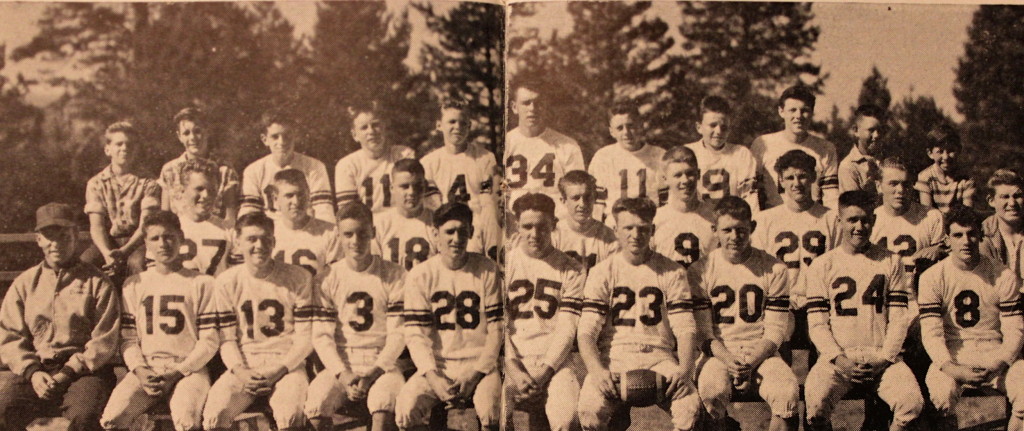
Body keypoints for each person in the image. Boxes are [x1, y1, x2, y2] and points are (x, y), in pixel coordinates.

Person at [576, 197, 701, 431]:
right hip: (614, 356)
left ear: (652, 230)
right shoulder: (602, 271)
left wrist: (685, 370)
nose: (635, 234)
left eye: (643, 228)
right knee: (589, 409)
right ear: (616, 230)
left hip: (660, 356)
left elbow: (686, 328)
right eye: (628, 228)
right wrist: (597, 371)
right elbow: (586, 332)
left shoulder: (672, 271)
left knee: (690, 408)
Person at [801, 190, 923, 431]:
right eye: (852, 220)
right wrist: (839, 359)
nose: (859, 226)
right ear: (839, 221)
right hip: (838, 358)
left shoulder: (891, 260)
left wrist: (885, 358)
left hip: (881, 356)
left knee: (911, 403)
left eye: (865, 220)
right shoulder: (822, 265)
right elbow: (817, 323)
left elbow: (899, 318)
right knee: (815, 405)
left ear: (874, 221)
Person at [0, 203, 120, 431]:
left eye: (64, 235)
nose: (56, 243)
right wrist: (33, 372)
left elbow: (104, 341)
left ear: (76, 236)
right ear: (38, 239)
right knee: (4, 410)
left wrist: (67, 372)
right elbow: (10, 336)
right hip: (37, 371)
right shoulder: (25, 283)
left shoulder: (98, 282)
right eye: (49, 236)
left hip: (84, 373)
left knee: (84, 417)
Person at [100, 211, 220, 431]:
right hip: (147, 368)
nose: (163, 244)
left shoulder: (202, 282)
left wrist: (178, 372)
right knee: (112, 419)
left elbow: (210, 340)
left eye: (169, 237)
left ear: (181, 238)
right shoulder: (134, 284)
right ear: (145, 243)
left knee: (186, 420)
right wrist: (140, 370)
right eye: (155, 238)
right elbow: (128, 339)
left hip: (188, 369)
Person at [690, 196, 798, 431]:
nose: (734, 237)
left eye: (741, 230)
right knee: (711, 391)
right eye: (727, 230)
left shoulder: (774, 268)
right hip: (719, 353)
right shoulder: (700, 270)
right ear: (714, 230)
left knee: (787, 392)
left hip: (761, 353)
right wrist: (730, 361)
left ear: (753, 228)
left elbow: (776, 331)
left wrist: (749, 364)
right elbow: (703, 334)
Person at [396, 203, 503, 431]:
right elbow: (416, 335)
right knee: (406, 408)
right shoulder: (420, 275)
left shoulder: (487, 269)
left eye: (462, 231)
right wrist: (433, 377)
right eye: (449, 231)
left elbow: (496, 330)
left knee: (490, 410)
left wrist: (475, 374)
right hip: (439, 366)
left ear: (471, 233)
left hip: (480, 366)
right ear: (435, 234)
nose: (457, 238)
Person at [203, 213, 315, 431]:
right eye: (252, 239)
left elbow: (305, 338)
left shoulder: (298, 277)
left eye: (265, 239)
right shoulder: (227, 281)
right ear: (237, 242)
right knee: (214, 416)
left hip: (286, 365)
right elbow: (227, 339)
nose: (259, 245)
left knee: (290, 416)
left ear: (274, 241)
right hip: (246, 365)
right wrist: (241, 371)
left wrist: (279, 370)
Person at [918, 207, 1024, 431]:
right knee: (941, 395)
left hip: (994, 351)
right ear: (947, 239)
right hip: (953, 352)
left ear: (981, 236)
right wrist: (950, 367)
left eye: (971, 234)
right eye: (958, 235)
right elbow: (931, 333)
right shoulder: (932, 277)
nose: (966, 241)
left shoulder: (1003, 275)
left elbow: (1015, 330)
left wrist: (1000, 362)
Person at [305, 202, 408, 431]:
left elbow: (398, 334)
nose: (355, 241)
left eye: (362, 233)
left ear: (373, 232)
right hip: (343, 362)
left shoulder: (394, 274)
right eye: (348, 234)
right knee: (317, 404)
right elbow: (322, 336)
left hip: (382, 363)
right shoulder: (328, 277)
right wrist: (342, 374)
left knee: (383, 407)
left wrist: (375, 371)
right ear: (339, 236)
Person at [503, 193, 586, 431]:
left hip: (555, 362)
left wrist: (545, 370)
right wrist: (514, 369)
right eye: (527, 226)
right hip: (513, 361)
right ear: (517, 225)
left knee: (566, 418)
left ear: (554, 225)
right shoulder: (505, 264)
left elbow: (567, 328)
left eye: (542, 226)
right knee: (494, 412)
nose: (534, 234)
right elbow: (500, 327)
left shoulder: (572, 269)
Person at [752, 150, 839, 308]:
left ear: (813, 177)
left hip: (820, 305)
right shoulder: (765, 220)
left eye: (802, 176)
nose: (797, 184)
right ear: (781, 181)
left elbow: (838, 266)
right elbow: (758, 270)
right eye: (790, 178)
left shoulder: (832, 219)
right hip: (780, 305)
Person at [82, 121, 162, 284]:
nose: (124, 148)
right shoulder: (96, 183)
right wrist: (106, 253)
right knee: (84, 264)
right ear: (108, 149)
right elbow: (96, 226)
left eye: (130, 144)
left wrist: (125, 252)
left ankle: (137, 307)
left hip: (138, 241)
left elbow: (146, 224)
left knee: (137, 264)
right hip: (109, 241)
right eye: (119, 144)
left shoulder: (149, 182)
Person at [504, 75, 584, 215]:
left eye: (538, 103)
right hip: (515, 222)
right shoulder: (504, 145)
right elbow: (496, 190)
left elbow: (577, 194)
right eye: (526, 103)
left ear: (546, 105)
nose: (532, 108)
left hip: (556, 222)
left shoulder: (568, 146)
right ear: (514, 107)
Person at [751, 85, 840, 210]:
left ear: (812, 113)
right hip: (774, 221)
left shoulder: (826, 148)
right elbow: (753, 194)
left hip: (814, 221)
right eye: (792, 110)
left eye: (805, 110)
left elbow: (831, 198)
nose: (798, 116)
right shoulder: (762, 144)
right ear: (781, 111)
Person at [240, 112, 335, 223]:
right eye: (275, 137)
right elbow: (248, 213)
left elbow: (324, 211)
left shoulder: (314, 166)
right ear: (265, 139)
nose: (282, 142)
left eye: (287, 136)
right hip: (270, 232)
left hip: (305, 230)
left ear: (295, 136)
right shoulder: (253, 170)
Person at [159, 107, 240, 225]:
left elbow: (230, 219)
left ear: (207, 131)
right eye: (186, 133)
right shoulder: (169, 170)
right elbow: (165, 216)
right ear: (179, 136)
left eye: (197, 131)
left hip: (214, 235)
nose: (192, 138)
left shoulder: (224, 171)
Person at [589, 103, 665, 224]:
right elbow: (598, 202)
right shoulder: (603, 157)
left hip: (650, 224)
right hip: (614, 226)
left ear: (641, 125)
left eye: (631, 126)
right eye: (620, 128)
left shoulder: (659, 155)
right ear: (611, 132)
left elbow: (665, 200)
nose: (626, 132)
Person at [335, 103, 416, 214]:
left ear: (384, 128)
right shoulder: (347, 165)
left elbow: (414, 199)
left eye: (375, 125)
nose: (371, 131)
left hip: (402, 222)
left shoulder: (403, 155)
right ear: (355, 135)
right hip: (368, 226)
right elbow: (349, 213)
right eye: (364, 127)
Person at [871, 157, 946, 276]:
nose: (900, 190)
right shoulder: (870, 220)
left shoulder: (932, 217)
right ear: (879, 186)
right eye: (893, 184)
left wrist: (940, 251)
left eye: (906, 184)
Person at [684, 96, 759, 211]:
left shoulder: (741, 154)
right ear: (699, 127)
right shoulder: (688, 153)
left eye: (724, 127)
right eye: (712, 125)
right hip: (696, 221)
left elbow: (750, 199)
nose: (718, 131)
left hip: (730, 222)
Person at [268, 169, 341, 280]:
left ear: (308, 195)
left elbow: (335, 281)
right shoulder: (268, 233)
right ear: (276, 199)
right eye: (289, 196)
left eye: (301, 194)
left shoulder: (330, 233)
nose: (296, 201)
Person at [651, 146, 717, 268]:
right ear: (665, 179)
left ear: (698, 174)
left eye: (690, 173)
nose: (685, 180)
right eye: (677, 175)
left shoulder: (714, 216)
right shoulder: (655, 219)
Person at [549, 171, 618, 273]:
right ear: (563, 200)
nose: (582, 204)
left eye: (587, 197)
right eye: (575, 198)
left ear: (594, 199)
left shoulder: (609, 237)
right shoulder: (553, 236)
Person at [374, 159, 436, 271]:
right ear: (392, 188)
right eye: (404, 186)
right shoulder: (380, 224)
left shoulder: (437, 221)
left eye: (417, 185)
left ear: (425, 187)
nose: (411, 192)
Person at [175, 159, 234, 276]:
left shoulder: (228, 231)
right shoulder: (172, 229)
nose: (206, 195)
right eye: (199, 189)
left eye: (211, 190)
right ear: (182, 191)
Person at [916, 124, 976, 213]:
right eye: (940, 151)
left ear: (959, 150)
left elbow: (967, 214)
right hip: (934, 224)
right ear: (930, 153)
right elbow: (927, 213)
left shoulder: (966, 179)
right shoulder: (925, 177)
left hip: (958, 225)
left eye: (951, 150)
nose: (945, 157)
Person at [980, 169, 1024, 277]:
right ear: (991, 201)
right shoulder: (981, 234)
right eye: (1005, 197)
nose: (1012, 203)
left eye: (1017, 196)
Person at [838, 104, 886, 195]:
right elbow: (853, 207)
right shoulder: (848, 166)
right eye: (871, 130)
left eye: (880, 130)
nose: (876, 135)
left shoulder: (889, 159)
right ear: (856, 131)